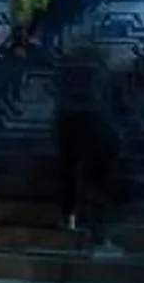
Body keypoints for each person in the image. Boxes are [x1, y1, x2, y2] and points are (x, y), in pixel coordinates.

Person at [52, 42, 129, 249]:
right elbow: (121, 104)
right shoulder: (109, 74)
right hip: (99, 127)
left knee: (71, 174)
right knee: (100, 183)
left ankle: (69, 216)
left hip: (71, 124)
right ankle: (98, 233)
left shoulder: (67, 72)